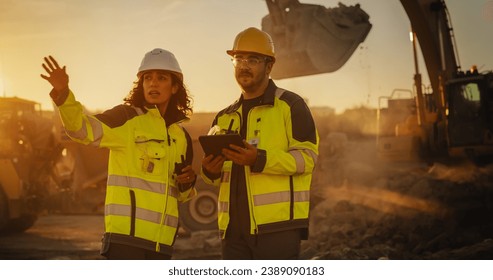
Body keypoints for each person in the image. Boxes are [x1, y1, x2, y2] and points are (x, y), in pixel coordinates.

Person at [40, 48, 197, 260]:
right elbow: (81, 129)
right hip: (126, 240)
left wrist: (187, 183)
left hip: (163, 244)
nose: (153, 83)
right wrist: (63, 94)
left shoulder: (181, 137)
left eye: (161, 78)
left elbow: (182, 194)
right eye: (147, 78)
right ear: (141, 84)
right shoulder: (126, 118)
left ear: (175, 86)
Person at [201, 27, 319, 259]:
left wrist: (259, 159)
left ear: (269, 66)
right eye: (239, 59)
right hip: (232, 230)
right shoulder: (224, 116)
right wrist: (209, 170)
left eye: (253, 59)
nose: (244, 65)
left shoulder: (291, 105)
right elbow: (216, 176)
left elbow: (307, 159)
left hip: (278, 227)